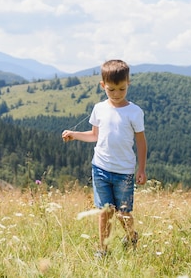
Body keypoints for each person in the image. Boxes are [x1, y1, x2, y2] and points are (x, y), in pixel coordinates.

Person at [62, 59, 147, 257]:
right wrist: (74, 134)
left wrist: (141, 169)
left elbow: (141, 142)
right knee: (104, 212)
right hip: (100, 168)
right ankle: (103, 250)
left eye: (121, 89)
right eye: (111, 90)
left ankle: (132, 236)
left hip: (124, 172)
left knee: (123, 213)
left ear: (128, 84)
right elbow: (94, 136)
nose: (116, 94)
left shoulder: (134, 112)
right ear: (102, 86)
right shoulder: (99, 109)